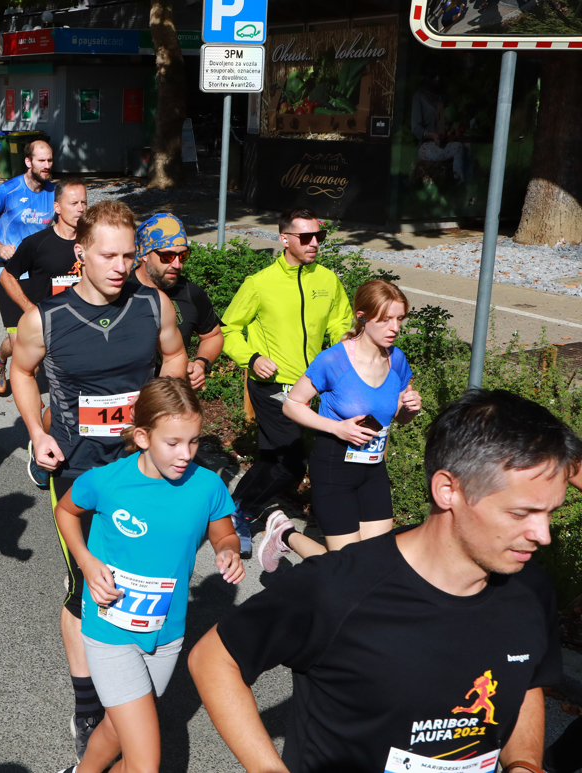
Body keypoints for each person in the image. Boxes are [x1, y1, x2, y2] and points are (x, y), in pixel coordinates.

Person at [188, 388, 579, 773]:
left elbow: (524, 682)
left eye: (550, 514)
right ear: (448, 490)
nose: (542, 535)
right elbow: (214, 659)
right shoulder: (339, 587)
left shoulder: (531, 589)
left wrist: (525, 764)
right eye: (521, 514)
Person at [10, 200, 187, 762]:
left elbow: (176, 356)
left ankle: (127, 676)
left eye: (127, 254)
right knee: (88, 585)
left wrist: (168, 418)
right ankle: (89, 704)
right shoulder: (45, 317)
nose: (118, 265)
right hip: (79, 471)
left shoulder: (153, 305)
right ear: (80, 252)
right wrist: (37, 432)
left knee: (135, 572)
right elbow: (21, 371)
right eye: (107, 254)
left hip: (140, 470)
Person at [54, 377, 243, 773]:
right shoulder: (108, 481)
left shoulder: (206, 485)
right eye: (172, 443)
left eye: (193, 441)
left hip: (166, 633)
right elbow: (66, 512)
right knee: (144, 764)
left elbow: (223, 531)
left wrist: (228, 550)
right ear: (142, 437)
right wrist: (87, 563)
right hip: (109, 629)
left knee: (118, 728)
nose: (185, 454)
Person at [257, 279, 423, 571]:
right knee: (346, 568)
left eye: (399, 319)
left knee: (376, 564)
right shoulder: (333, 360)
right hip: (335, 466)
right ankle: (286, 535)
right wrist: (336, 427)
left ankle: (285, 535)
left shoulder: (396, 360)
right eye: (385, 320)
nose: (395, 328)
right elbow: (292, 404)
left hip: (374, 468)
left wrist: (410, 408)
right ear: (362, 317)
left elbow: (399, 416)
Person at [220, 207, 354, 555]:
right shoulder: (260, 284)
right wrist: (252, 358)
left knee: (271, 459)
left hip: (313, 386)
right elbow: (229, 328)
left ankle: (229, 510)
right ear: (284, 239)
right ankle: (243, 512)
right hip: (274, 386)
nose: (314, 243)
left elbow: (341, 323)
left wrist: (343, 349)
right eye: (305, 237)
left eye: (319, 237)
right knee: (292, 464)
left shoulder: (327, 280)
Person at [0, 177, 87, 488]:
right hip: (45, 330)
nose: (80, 208)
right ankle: (0, 358)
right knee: (43, 383)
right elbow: (8, 276)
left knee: (66, 399)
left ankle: (45, 442)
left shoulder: (91, 244)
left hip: (80, 335)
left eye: (84, 202)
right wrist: (30, 310)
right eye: (74, 203)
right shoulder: (38, 243)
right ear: (58, 207)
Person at [0, 138, 54, 396]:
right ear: (28, 162)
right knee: (27, 356)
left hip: (41, 276)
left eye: (50, 160)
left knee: (35, 344)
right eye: (42, 160)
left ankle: (0, 356)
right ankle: (2, 364)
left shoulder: (54, 194)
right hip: (10, 275)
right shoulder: (7, 190)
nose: (47, 165)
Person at [130, 214, 224, 391]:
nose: (177, 264)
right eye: (167, 257)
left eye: (183, 256)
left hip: (172, 400)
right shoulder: (122, 290)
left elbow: (213, 335)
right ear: (144, 253)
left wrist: (201, 362)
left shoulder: (190, 292)